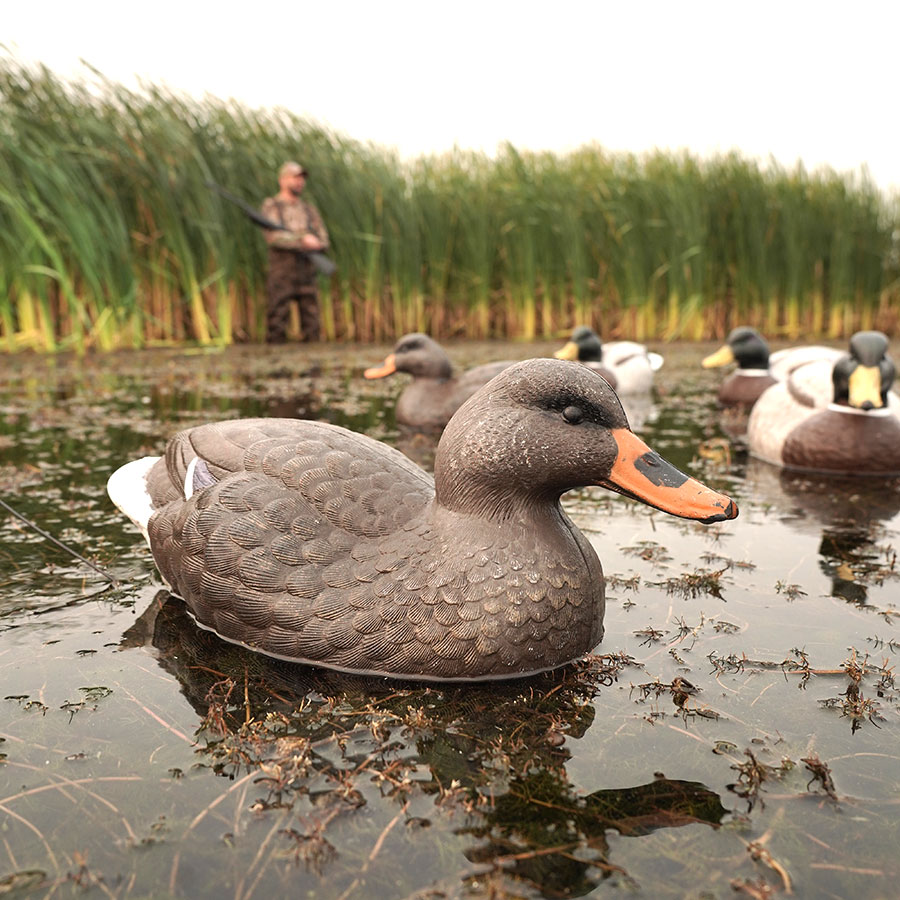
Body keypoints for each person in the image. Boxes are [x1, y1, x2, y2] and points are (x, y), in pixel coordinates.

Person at [260, 161, 330, 343]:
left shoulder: (309, 209)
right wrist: (302, 240)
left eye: (301, 178)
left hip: (307, 271)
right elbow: (273, 237)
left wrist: (317, 243)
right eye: (295, 177)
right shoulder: (272, 206)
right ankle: (275, 364)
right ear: (282, 180)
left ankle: (314, 365)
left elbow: (323, 239)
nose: (299, 182)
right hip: (282, 272)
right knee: (277, 318)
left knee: (312, 321)